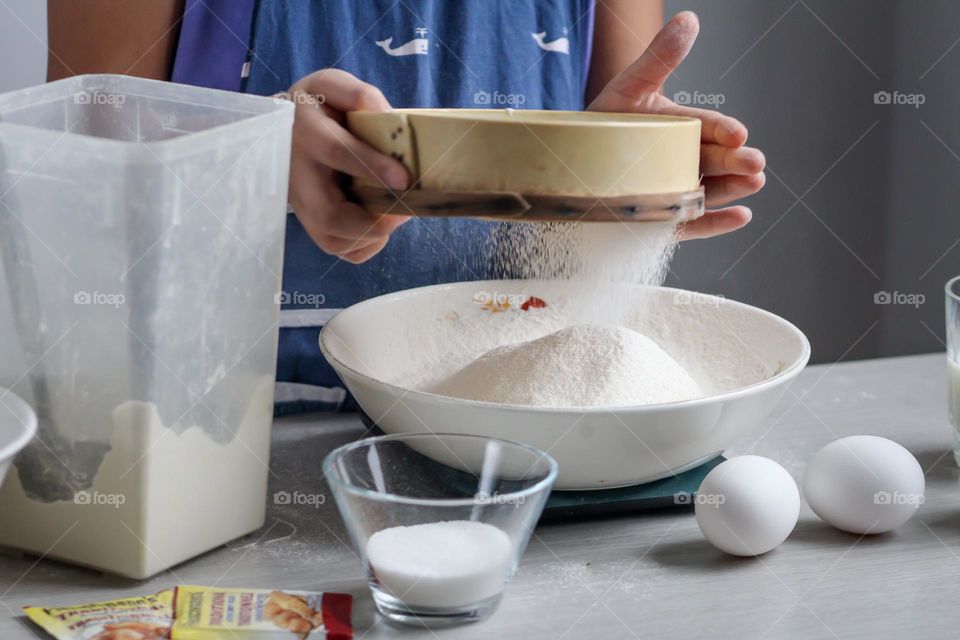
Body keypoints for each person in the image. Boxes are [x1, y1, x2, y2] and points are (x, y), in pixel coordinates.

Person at [49, 1, 765, 413]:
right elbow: (71, 197)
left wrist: (614, 180)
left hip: (515, 441)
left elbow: (573, 238)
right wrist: (243, 156)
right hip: (214, 448)